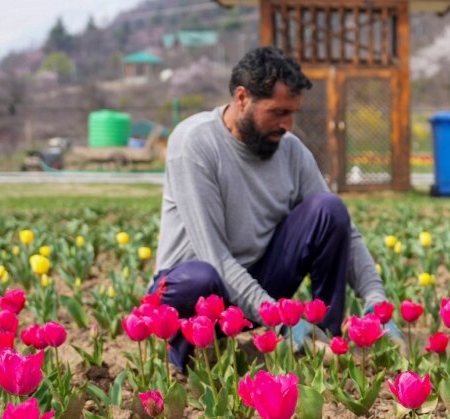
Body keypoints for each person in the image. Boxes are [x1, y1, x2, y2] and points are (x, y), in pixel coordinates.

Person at [152, 46, 395, 370]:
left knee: (329, 209)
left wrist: (376, 301)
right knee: (201, 277)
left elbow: (346, 235)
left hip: (255, 282)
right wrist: (280, 319)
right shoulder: (195, 143)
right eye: (278, 112)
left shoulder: (291, 151)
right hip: (191, 288)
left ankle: (323, 342)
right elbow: (214, 256)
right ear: (242, 98)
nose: (288, 125)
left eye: (292, 113)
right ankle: (191, 356)